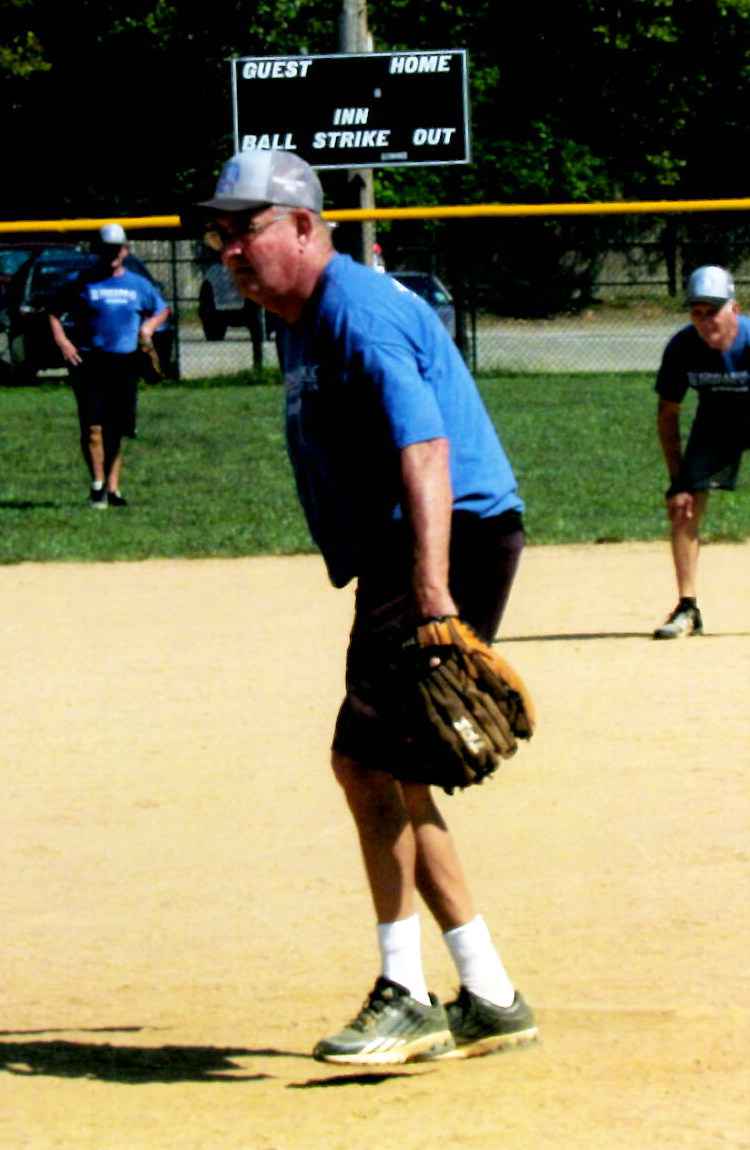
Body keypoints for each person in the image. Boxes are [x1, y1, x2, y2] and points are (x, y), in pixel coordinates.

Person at [198, 149, 538, 1064]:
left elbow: (424, 447)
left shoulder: (356, 310)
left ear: (307, 226)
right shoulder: (306, 318)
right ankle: (491, 994)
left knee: (364, 761)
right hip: (420, 545)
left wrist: (432, 596)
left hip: (440, 540)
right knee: (388, 767)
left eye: (247, 228)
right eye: (219, 233)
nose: (228, 249)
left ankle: (407, 992)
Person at [653, 264, 750, 638]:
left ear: (735, 310)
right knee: (683, 506)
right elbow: (668, 413)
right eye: (698, 313)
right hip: (716, 423)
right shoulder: (682, 346)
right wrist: (678, 481)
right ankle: (687, 608)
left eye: (715, 312)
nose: (706, 322)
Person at [48, 223, 171, 508]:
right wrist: (63, 343)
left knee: (116, 428)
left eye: (117, 249)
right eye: (106, 249)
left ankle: (113, 490)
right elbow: (53, 312)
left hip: (125, 362)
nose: (112, 254)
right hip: (89, 360)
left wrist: (148, 328)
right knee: (93, 427)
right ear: (97, 251)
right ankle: (97, 485)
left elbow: (162, 308)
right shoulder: (81, 281)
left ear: (125, 250)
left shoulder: (137, 284)